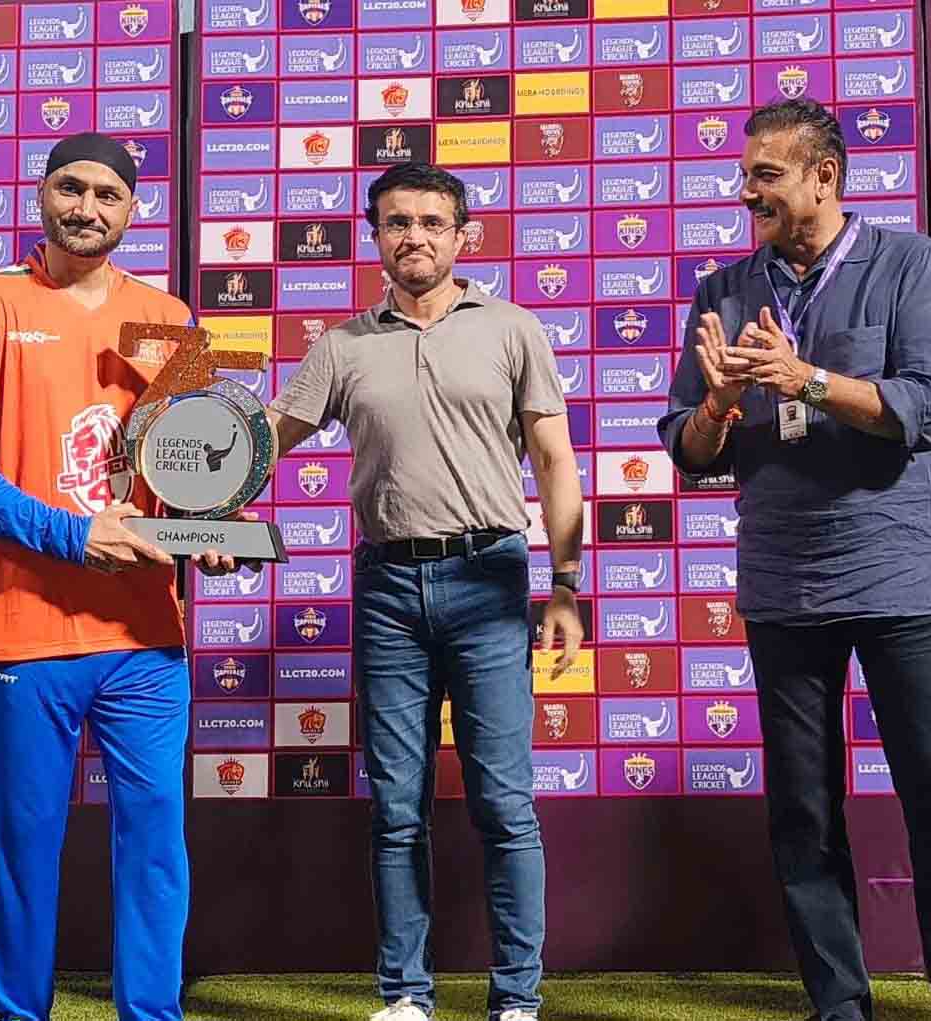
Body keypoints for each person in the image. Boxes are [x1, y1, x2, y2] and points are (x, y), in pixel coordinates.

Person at [658, 98, 931, 1021]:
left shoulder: (911, 265)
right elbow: (691, 451)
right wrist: (721, 403)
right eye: (745, 175)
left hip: (896, 579)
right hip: (780, 585)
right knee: (805, 814)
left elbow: (928, 407)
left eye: (766, 174)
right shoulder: (724, 290)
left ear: (825, 176)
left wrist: (808, 377)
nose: (748, 192)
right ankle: (839, 1005)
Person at [0, 132, 240, 1021]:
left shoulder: (172, 316)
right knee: (23, 847)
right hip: (25, 625)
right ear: (42, 196)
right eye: (72, 188)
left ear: (133, 211)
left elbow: (192, 466)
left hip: (144, 635)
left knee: (156, 847)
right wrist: (71, 534)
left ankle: (152, 1014)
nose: (87, 207)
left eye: (108, 194)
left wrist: (208, 527)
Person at [266, 162, 585, 1021]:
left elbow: (555, 461)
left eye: (432, 222)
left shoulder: (514, 328)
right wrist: (173, 464)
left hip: (490, 576)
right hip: (386, 587)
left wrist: (566, 585)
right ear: (375, 236)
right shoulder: (342, 344)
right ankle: (406, 994)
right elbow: (263, 442)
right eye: (397, 221)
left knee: (505, 803)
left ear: (462, 235)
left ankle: (517, 998)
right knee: (397, 807)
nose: (414, 236)